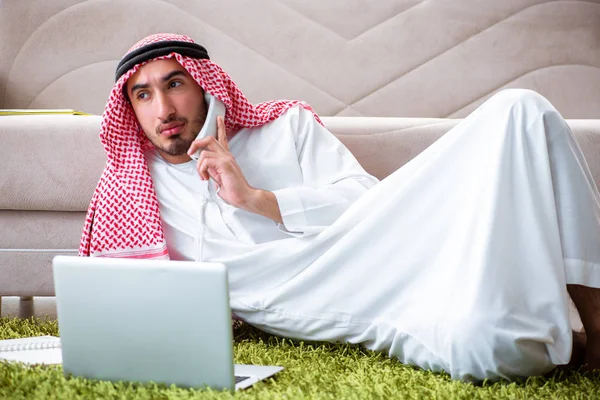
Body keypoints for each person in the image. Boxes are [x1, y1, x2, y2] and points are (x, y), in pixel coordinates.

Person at [80, 33, 600, 381]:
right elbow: (128, 307)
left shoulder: (287, 128)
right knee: (490, 350)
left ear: (206, 87)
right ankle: (568, 344)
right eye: (143, 96)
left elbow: (366, 203)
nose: (164, 109)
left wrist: (258, 199)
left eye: (175, 84)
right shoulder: (132, 189)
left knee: (521, 110)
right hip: (380, 314)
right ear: (130, 111)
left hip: (392, 245)